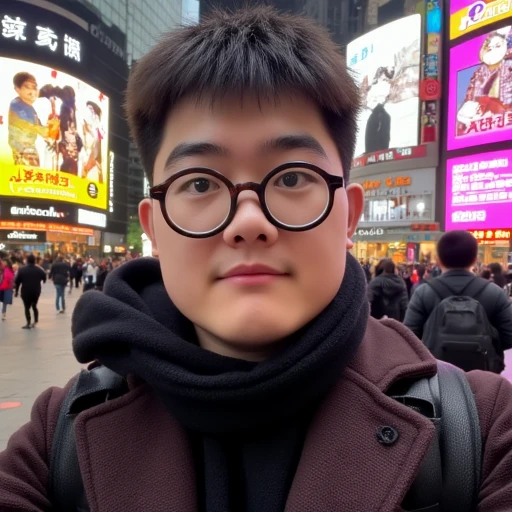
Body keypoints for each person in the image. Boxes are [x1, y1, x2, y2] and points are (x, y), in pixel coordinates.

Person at [2, 8, 512, 510]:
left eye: (292, 178)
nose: (248, 223)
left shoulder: (480, 425)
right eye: (198, 183)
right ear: (154, 225)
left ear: (349, 215)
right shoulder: (60, 432)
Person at [404, 230, 512, 371]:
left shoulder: (424, 292)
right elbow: (509, 336)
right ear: (474, 259)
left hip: (436, 376)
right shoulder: (494, 292)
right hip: (483, 376)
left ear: (439, 260)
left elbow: (408, 338)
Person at [8, 72, 49, 166]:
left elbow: (39, 126)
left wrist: (48, 134)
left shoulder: (32, 110)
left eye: (34, 87)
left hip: (30, 149)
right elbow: (29, 124)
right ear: (17, 89)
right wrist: (43, 131)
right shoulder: (16, 103)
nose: (32, 92)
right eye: (27, 87)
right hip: (22, 149)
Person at [14, 254, 47, 329]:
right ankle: (35, 320)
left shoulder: (22, 269)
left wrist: (16, 292)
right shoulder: (39, 269)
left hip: (25, 291)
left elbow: (17, 282)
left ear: (27, 260)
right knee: (34, 305)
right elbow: (44, 277)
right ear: (34, 260)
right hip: (36, 291)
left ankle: (28, 323)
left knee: (26, 307)